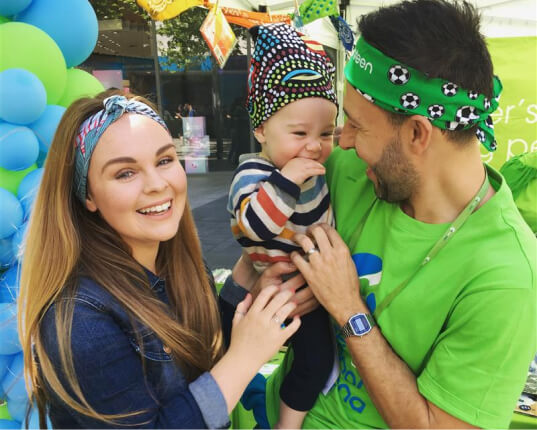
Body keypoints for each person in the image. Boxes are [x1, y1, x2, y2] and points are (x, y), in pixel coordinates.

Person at [220, 1, 537, 428]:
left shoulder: (507, 276)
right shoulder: (345, 170)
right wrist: (268, 266)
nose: (341, 143)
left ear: (416, 133)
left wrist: (349, 308)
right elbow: (262, 231)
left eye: (353, 125)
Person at [17, 91, 301, 428]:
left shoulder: (175, 263)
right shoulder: (81, 317)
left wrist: (244, 282)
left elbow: (195, 355)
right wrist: (246, 357)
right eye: (125, 173)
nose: (157, 184)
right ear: (88, 194)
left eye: (165, 160)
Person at [226, 23, 338, 429]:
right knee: (301, 360)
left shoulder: (317, 168)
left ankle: (279, 415)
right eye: (299, 133)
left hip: (309, 292)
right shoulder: (253, 174)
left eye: (326, 133)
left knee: (315, 361)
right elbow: (252, 227)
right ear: (260, 130)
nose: (314, 145)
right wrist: (286, 181)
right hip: (274, 295)